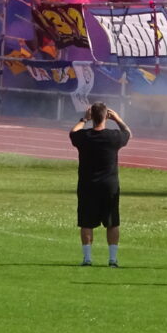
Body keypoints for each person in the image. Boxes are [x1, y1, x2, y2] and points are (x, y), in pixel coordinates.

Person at [69, 102, 132, 266]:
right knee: (112, 223)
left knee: (86, 222)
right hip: (109, 185)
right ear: (106, 117)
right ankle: (112, 259)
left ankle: (87, 258)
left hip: (87, 185)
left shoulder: (84, 136)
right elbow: (128, 133)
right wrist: (117, 119)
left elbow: (72, 132)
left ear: (92, 117)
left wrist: (84, 119)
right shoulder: (113, 136)